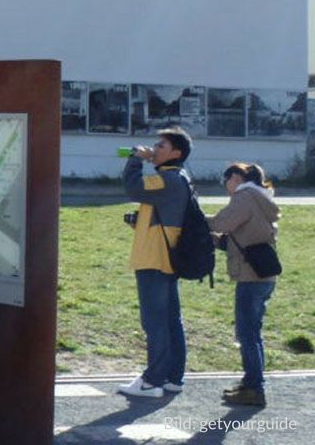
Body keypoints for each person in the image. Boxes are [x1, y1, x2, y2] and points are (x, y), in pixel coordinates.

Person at [117, 127, 193, 398]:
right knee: (171, 320)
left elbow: (133, 187)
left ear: (176, 152)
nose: (155, 149)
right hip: (165, 257)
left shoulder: (169, 178)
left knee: (155, 322)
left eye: (161, 145)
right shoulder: (177, 178)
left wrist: (136, 158)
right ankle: (173, 377)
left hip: (154, 259)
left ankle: (152, 381)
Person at [208, 162, 280, 407]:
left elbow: (221, 223)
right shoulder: (262, 198)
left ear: (236, 178)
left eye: (225, 181)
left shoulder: (245, 196)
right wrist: (216, 242)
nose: (226, 187)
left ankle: (254, 388)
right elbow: (240, 237)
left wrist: (195, 219)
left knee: (246, 334)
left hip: (251, 277)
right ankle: (252, 383)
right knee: (253, 333)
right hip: (264, 275)